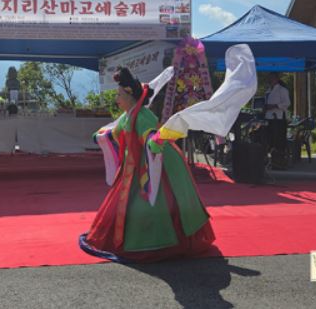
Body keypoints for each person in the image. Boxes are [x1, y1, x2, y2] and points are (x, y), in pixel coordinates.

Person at [79, 68, 215, 262]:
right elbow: (116, 133)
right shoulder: (128, 115)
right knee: (135, 201)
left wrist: (153, 142)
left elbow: (151, 135)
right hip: (136, 163)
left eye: (119, 95)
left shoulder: (143, 115)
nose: (117, 99)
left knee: (153, 199)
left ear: (130, 96)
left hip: (157, 162)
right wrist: (101, 137)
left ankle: (158, 243)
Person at [264, 72, 291, 169]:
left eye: (271, 78)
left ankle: (279, 162)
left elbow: (287, 103)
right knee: (270, 140)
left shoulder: (282, 90)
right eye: (269, 78)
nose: (269, 80)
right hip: (269, 118)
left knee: (279, 140)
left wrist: (275, 106)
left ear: (276, 79)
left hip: (279, 118)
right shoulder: (268, 91)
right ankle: (272, 160)